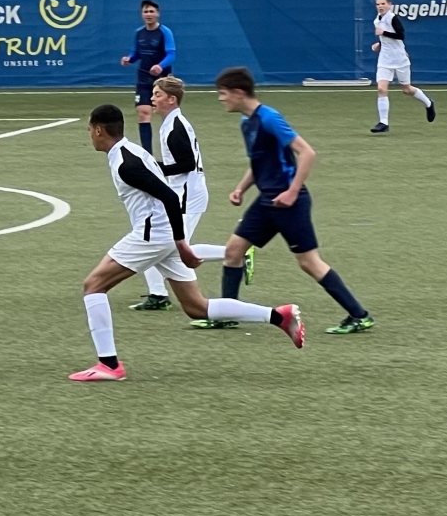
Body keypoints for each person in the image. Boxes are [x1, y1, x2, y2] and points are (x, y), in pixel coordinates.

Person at [67, 103, 302, 383]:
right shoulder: (131, 152)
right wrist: (176, 241)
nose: (90, 136)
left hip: (152, 235)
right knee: (196, 307)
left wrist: (180, 244)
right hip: (161, 234)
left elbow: (169, 197)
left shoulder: (126, 163)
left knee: (93, 286)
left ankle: (109, 364)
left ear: (98, 130)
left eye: (89, 130)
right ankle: (279, 316)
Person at [214, 68, 376, 334]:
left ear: (239, 93)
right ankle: (226, 314)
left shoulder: (269, 118)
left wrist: (292, 191)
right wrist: (241, 188)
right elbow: (259, 163)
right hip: (267, 201)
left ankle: (360, 315)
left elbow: (307, 152)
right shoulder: (246, 123)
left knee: (308, 262)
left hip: (290, 202)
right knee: (233, 251)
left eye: (223, 93)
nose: (221, 99)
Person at [129, 76, 240, 322]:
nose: (152, 99)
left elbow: (186, 163)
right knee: (162, 242)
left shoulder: (174, 127)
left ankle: (235, 252)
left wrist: (155, 169)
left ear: (171, 99)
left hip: (188, 195)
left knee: (168, 245)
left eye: (157, 95)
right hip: (184, 192)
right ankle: (158, 294)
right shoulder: (172, 123)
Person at [370, 0, 435, 133]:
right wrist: (379, 44)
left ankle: (428, 103)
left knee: (407, 89)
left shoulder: (392, 18)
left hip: (399, 59)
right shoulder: (377, 20)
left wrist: (384, 33)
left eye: (383, 4)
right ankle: (383, 122)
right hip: (385, 59)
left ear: (389, 5)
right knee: (381, 89)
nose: (380, 6)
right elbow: (386, 39)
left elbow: (401, 35)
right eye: (378, 4)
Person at [120, 0, 176, 152]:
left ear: (157, 14)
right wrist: (129, 59)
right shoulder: (139, 33)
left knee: (167, 114)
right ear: (142, 14)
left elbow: (171, 54)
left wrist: (160, 66)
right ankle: (148, 154)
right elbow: (136, 53)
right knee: (143, 113)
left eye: (151, 11)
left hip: (163, 80)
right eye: (146, 11)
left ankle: (171, 150)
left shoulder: (165, 32)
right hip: (144, 78)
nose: (148, 14)